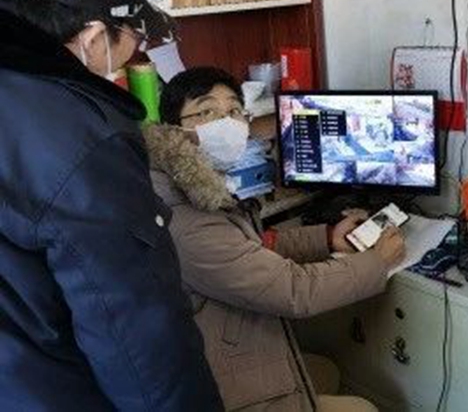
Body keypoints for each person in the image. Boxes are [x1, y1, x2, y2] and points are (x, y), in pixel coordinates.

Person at [0, 0, 223, 411]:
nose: (136, 51)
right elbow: (139, 336)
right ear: (94, 36)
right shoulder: (84, 141)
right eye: (133, 36)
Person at [144, 67, 407, 411]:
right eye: (206, 111)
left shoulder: (186, 184)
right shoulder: (185, 216)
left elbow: (249, 248)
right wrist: (377, 262)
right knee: (365, 408)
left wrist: (327, 238)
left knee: (326, 371)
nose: (225, 122)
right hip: (221, 384)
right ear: (173, 127)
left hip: (228, 347)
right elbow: (292, 290)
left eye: (234, 110)